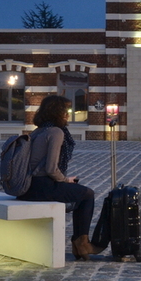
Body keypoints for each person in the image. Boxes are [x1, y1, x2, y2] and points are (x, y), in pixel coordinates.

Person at [19, 95, 104, 261]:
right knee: (87, 194)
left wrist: (65, 180)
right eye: (65, 110)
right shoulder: (56, 132)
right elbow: (51, 168)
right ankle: (82, 244)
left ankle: (80, 245)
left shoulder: (39, 131)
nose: (68, 114)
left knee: (78, 193)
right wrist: (65, 180)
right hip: (42, 186)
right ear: (57, 112)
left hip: (29, 186)